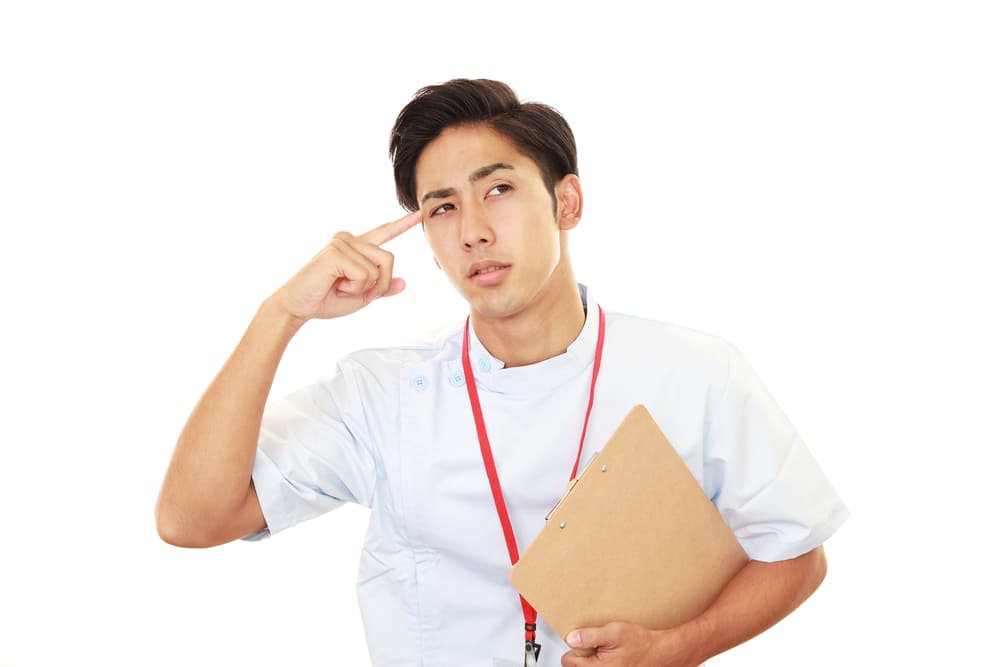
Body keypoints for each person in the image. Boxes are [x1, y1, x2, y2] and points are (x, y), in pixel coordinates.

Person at [156, 78, 848, 667]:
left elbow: (797, 551)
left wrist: (677, 648)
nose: (473, 231)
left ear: (566, 202)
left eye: (498, 189)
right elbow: (192, 519)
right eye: (442, 208)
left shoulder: (694, 372)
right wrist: (280, 314)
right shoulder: (382, 393)